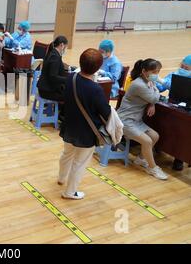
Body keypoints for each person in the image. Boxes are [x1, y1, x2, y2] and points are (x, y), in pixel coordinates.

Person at [58, 49, 111, 199]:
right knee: (79, 163)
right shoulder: (96, 89)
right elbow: (105, 112)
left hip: (69, 125)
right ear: (97, 68)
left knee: (67, 154)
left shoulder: (71, 78)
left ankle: (61, 178)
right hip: (86, 132)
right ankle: (70, 192)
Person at [118, 59, 168, 180]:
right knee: (147, 141)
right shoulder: (139, 84)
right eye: (154, 72)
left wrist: (152, 103)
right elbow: (155, 98)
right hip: (125, 121)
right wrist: (154, 96)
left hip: (136, 121)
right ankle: (153, 168)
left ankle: (140, 159)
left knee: (155, 136)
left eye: (158, 72)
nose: (156, 75)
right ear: (144, 71)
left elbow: (152, 99)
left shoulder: (147, 81)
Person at [156, 54, 191, 171]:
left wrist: (166, 83)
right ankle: (160, 145)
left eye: (186, 68)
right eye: (182, 66)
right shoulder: (173, 74)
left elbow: (169, 85)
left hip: (187, 113)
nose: (183, 69)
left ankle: (179, 158)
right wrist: (153, 81)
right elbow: (161, 87)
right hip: (172, 107)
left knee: (183, 132)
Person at [37, 36, 69, 102]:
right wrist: (68, 79)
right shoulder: (55, 57)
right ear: (62, 45)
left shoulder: (52, 53)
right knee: (70, 96)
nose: (65, 49)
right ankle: (61, 111)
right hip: (47, 91)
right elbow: (53, 77)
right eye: (65, 47)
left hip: (44, 88)